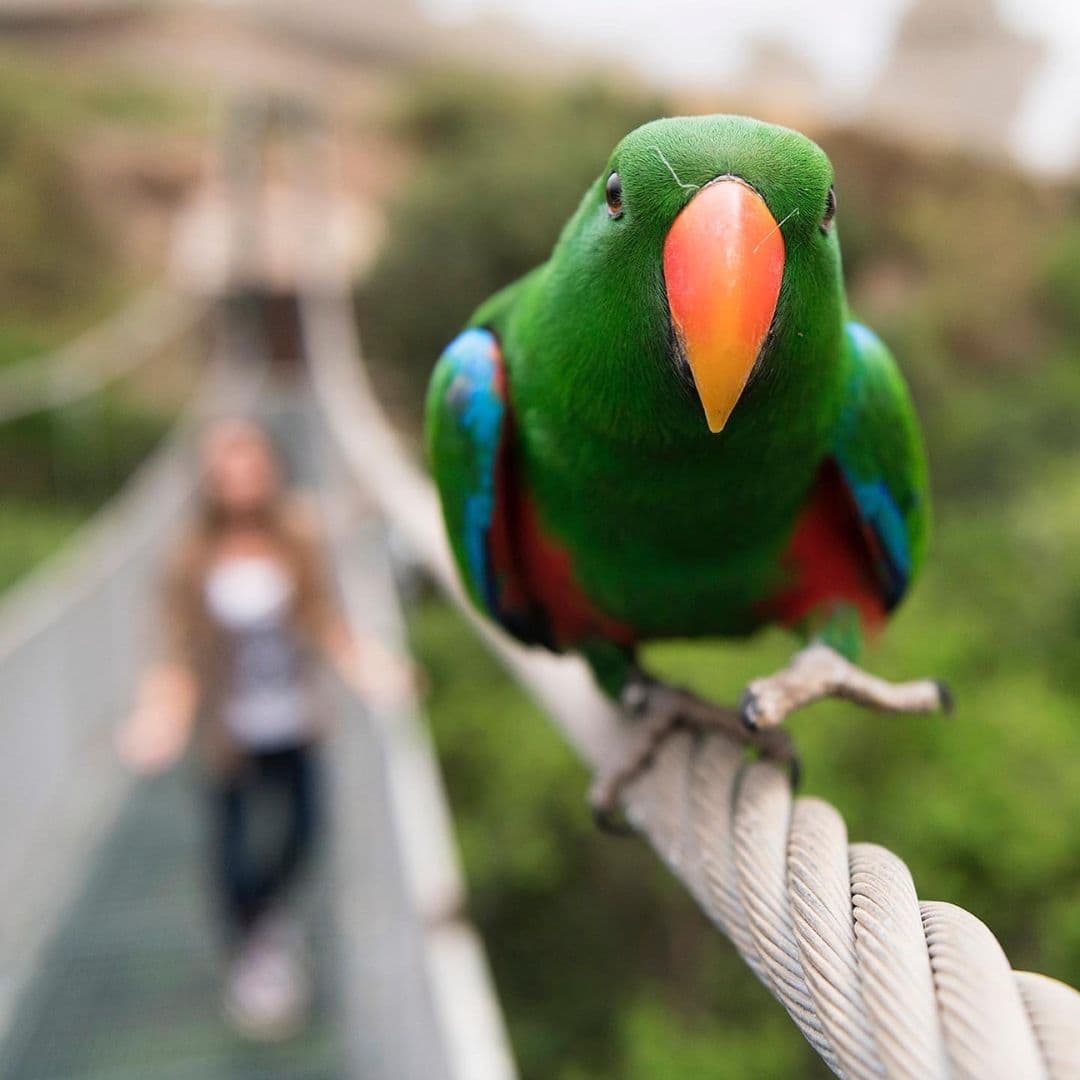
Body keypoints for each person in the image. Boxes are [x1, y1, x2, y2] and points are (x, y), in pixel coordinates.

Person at [117, 418, 410, 1039]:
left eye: (251, 463)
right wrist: (161, 716)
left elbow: (325, 619)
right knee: (232, 850)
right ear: (210, 479)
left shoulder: (297, 535)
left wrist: (371, 670)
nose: (242, 478)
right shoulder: (190, 558)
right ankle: (253, 957)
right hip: (229, 733)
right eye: (229, 467)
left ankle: (269, 926)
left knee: (303, 833)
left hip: (294, 721)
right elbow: (176, 653)